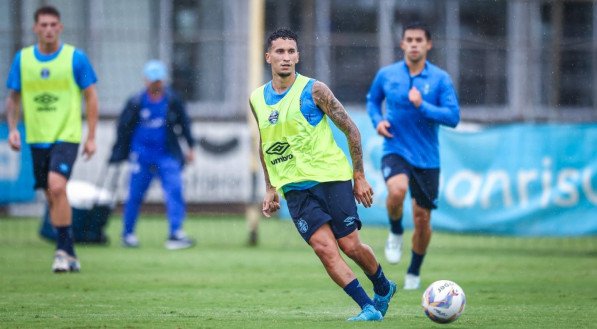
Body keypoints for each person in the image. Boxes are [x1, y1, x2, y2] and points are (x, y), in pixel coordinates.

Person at [249, 28, 396, 322]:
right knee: (324, 249)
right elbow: (265, 143)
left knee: (350, 245)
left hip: (331, 179)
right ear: (268, 57)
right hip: (295, 189)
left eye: (291, 52)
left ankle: (382, 285)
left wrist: (360, 176)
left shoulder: (314, 90)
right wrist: (270, 188)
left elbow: (351, 129)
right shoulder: (257, 99)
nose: (286, 58)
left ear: (298, 56)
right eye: (280, 51)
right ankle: (368, 308)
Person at [366, 22, 460, 290]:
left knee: (422, 218)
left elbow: (453, 117)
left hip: (428, 158)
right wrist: (377, 121)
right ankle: (395, 231)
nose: (414, 43)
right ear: (402, 44)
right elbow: (373, 100)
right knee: (396, 191)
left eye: (420, 39)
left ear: (428, 44)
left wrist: (423, 105)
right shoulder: (387, 75)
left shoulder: (440, 79)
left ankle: (414, 272)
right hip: (395, 147)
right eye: (410, 39)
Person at [4, 6, 99, 272]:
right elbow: (13, 97)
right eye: (43, 25)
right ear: (35, 28)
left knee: (57, 187)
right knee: (52, 195)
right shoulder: (23, 60)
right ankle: (68, 251)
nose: (48, 29)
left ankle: (61, 250)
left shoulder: (75, 58)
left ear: (60, 28)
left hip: (66, 134)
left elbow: (91, 96)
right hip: (37, 137)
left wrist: (91, 136)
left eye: (53, 25)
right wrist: (13, 128)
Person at [109, 60, 196, 250]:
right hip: (141, 156)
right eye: (152, 80)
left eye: (159, 81)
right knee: (134, 195)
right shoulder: (135, 102)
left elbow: (184, 124)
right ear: (145, 80)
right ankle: (128, 233)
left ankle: (175, 233)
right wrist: (118, 152)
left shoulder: (173, 100)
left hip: (167, 155)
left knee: (175, 191)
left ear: (164, 80)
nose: (156, 84)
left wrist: (190, 146)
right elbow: (123, 128)